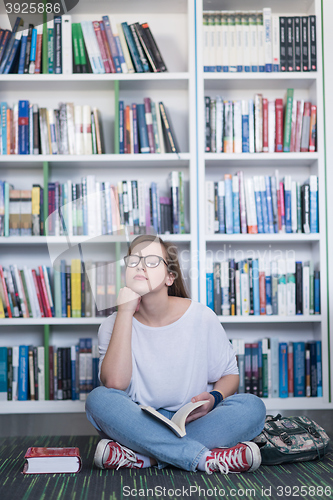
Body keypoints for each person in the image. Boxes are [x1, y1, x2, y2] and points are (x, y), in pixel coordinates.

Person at [85, 234, 266, 474]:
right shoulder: (113, 324)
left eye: (151, 261)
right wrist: (125, 312)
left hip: (192, 420)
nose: (140, 265)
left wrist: (215, 397)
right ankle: (203, 458)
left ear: (170, 277)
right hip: (139, 421)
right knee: (98, 400)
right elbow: (115, 384)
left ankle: (144, 457)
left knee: (252, 407)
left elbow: (230, 375)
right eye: (133, 261)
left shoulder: (201, 316)